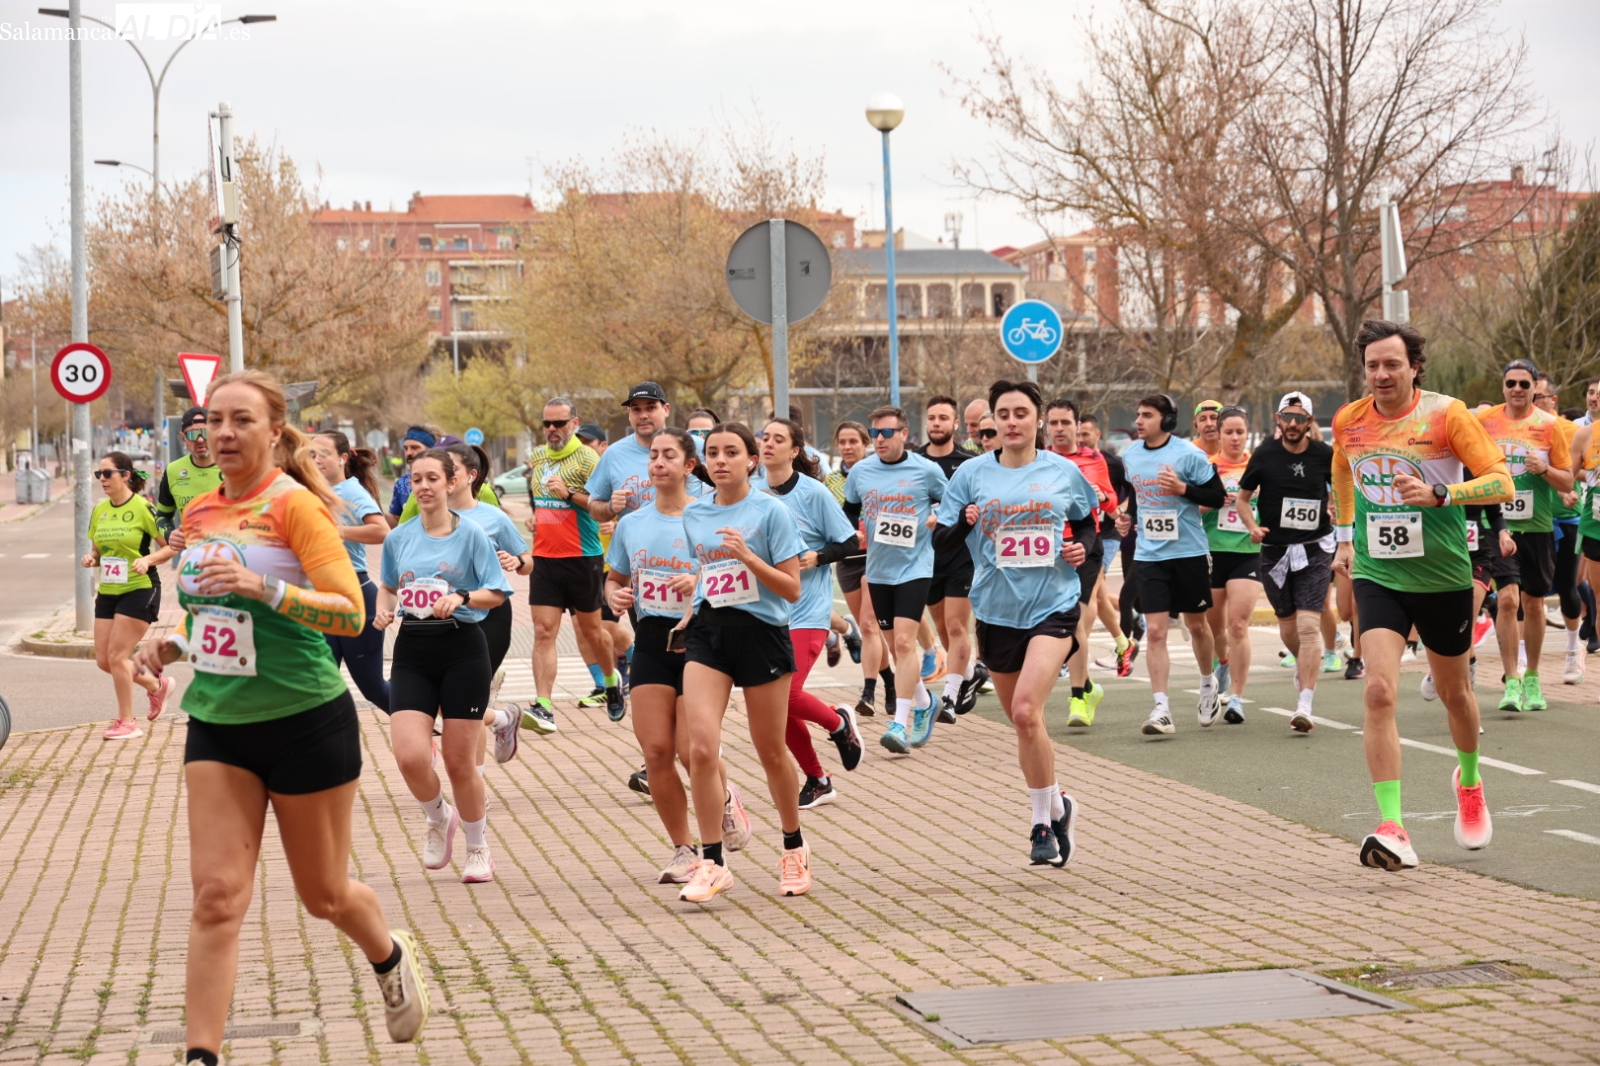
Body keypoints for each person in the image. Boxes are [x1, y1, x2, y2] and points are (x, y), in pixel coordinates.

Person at [131, 371, 430, 1062]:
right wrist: (170, 642)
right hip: (218, 721)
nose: (224, 432)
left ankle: (388, 955)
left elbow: (349, 612)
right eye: (214, 420)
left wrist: (265, 586)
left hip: (305, 719)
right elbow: (208, 614)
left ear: (273, 431)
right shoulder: (199, 512)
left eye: (241, 420)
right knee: (215, 896)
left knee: (323, 895)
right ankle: (201, 1054)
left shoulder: (297, 506)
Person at [1331, 320, 1511, 871]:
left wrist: (1442, 493)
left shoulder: (1447, 414)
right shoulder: (1349, 421)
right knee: (1378, 692)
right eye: (1373, 366)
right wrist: (1344, 536)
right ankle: (1393, 826)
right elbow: (1342, 470)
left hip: (1443, 577)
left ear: (1414, 367)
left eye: (1392, 364)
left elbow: (1501, 481)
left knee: (1456, 695)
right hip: (1378, 574)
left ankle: (1470, 782)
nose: (1382, 374)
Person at [937, 379, 1096, 866]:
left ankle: (1041, 825)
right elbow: (942, 544)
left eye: (1021, 413)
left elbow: (1089, 525)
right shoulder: (971, 475)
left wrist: (1081, 548)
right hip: (996, 610)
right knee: (1023, 722)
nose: (1011, 422)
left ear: (1038, 419)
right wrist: (964, 523)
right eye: (1002, 414)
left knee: (1027, 712)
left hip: (1053, 604)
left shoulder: (1062, 471)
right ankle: (1058, 802)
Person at [606, 428, 752, 881]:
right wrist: (615, 596)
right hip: (651, 639)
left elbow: (733, 572)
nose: (658, 463)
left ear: (690, 466)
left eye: (669, 455)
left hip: (700, 639)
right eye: (653, 455)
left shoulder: (706, 517)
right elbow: (615, 578)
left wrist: (699, 581)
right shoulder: (632, 523)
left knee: (693, 750)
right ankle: (684, 850)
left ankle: (724, 799)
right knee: (655, 751)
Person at [676, 423, 808, 902]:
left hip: (762, 635)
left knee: (770, 749)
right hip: (710, 633)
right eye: (713, 452)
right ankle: (713, 862)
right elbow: (709, 570)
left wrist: (749, 557)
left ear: (752, 460)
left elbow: (792, 589)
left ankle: (793, 847)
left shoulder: (771, 511)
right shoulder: (695, 514)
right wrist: (692, 599)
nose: (720, 460)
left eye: (731, 452)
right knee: (700, 749)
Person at [375, 448, 512, 884]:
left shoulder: (471, 535)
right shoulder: (399, 538)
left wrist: (462, 597)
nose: (424, 486)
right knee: (409, 756)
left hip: (462, 648)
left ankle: (478, 848)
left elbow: (497, 592)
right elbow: (388, 586)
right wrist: (383, 608)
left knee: (458, 761)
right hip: (413, 650)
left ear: (452, 482)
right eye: (416, 479)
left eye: (432, 478)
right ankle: (438, 816)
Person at [761, 418, 865, 809]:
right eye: (765, 437)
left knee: (788, 695)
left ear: (794, 451)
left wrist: (818, 556)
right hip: (768, 614)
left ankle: (838, 723)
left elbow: (850, 542)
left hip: (807, 611)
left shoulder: (814, 493)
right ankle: (818, 779)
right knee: (776, 708)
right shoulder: (753, 491)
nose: (769, 443)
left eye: (778, 439)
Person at [1114, 394, 1226, 734]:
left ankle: (1207, 685)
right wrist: (1127, 518)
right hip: (1149, 555)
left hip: (1189, 552)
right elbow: (1136, 494)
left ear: (1167, 420)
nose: (1138, 421)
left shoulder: (1188, 454)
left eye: (1146, 415)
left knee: (1197, 626)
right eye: (1138, 414)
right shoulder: (1130, 455)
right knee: (1156, 632)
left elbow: (1217, 496)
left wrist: (1182, 488)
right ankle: (1161, 708)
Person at [844, 406, 950, 753]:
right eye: (874, 433)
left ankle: (899, 725)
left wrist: (937, 516)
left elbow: (952, 501)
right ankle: (926, 703)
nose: (879, 439)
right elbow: (849, 511)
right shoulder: (861, 472)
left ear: (904, 434)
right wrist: (851, 534)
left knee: (904, 643)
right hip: (878, 570)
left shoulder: (925, 470)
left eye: (886, 433)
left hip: (915, 567)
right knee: (895, 647)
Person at [1475, 359, 1573, 712]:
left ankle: (1532, 676)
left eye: (1524, 384)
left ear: (1534, 389)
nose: (1517, 389)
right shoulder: (1485, 421)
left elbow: (1567, 481)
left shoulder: (1549, 425)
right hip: (1496, 524)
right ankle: (1511, 679)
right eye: (1511, 383)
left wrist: (1544, 469)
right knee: (1506, 601)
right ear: (1503, 387)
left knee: (1533, 604)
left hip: (1537, 526)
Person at [1236, 392, 1335, 732]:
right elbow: (1243, 500)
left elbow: (1343, 489)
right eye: (1287, 417)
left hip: (1315, 549)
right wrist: (1252, 527)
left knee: (1308, 627)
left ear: (1310, 422)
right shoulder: (1264, 454)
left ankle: (1305, 703)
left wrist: (1337, 510)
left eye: (1300, 418)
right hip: (1275, 551)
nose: (1293, 423)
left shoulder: (1324, 454)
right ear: (1278, 420)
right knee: (1290, 628)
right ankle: (1303, 667)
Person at [440, 442, 538, 769]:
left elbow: (528, 561)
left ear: (471, 475)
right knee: (446, 701)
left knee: (468, 701)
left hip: (489, 617)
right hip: (445, 617)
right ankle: (502, 719)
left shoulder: (493, 517)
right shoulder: (430, 516)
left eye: (451, 468)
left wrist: (517, 561)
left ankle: (475, 783)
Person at [524, 397, 621, 725]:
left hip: (582, 557)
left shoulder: (588, 459)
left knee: (593, 632)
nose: (552, 429)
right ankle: (543, 706)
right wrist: (537, 518)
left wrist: (568, 494)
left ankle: (611, 681)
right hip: (544, 558)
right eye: (547, 423)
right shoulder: (538, 456)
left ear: (574, 424)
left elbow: (602, 506)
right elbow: (541, 501)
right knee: (543, 631)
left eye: (559, 423)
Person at [84, 451, 176, 739]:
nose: (102, 479)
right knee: (104, 660)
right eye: (98, 474)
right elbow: (98, 551)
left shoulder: (143, 508)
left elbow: (170, 546)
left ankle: (127, 722)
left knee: (117, 655)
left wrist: (147, 560)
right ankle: (157, 686)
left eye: (107, 473)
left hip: (140, 588)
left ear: (125, 475)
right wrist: (91, 559)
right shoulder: (99, 510)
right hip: (109, 591)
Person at [309, 431, 391, 711]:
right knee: (318, 684)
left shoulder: (351, 491)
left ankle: (425, 717)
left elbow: (382, 531)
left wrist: (338, 531)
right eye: (311, 454)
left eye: (324, 454)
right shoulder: (311, 493)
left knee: (372, 687)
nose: (316, 460)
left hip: (354, 594)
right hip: (321, 597)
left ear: (343, 458)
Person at [916, 395, 986, 723]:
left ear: (955, 424)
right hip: (926, 558)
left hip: (961, 555)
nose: (936, 423)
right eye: (932, 417)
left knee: (957, 625)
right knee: (942, 626)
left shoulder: (969, 464)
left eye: (943, 418)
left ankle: (949, 697)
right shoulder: (914, 462)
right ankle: (969, 673)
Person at [1046, 399, 1114, 726]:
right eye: (1053, 423)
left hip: (1086, 546)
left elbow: (1111, 500)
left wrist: (1101, 496)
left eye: (1065, 423)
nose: (1059, 429)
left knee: (1076, 623)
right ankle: (1088, 686)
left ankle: (1077, 699)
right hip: (1048, 548)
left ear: (1077, 426)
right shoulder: (1040, 460)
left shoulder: (1094, 459)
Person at [1200, 405, 1260, 725]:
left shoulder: (1257, 466)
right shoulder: (1206, 467)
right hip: (1212, 552)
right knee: (1214, 628)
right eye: (1229, 432)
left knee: (1238, 625)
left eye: (1240, 432)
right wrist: (1211, 501)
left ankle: (1236, 698)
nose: (1235, 438)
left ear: (1247, 433)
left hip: (1248, 553)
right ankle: (1222, 661)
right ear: (1219, 434)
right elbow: (1190, 508)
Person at [827, 421, 889, 720]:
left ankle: (868, 692)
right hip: (847, 562)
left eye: (853, 441)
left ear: (866, 444)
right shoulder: (830, 482)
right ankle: (891, 682)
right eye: (842, 442)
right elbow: (826, 520)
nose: (847, 447)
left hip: (876, 558)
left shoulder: (879, 474)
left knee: (869, 626)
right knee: (868, 630)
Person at [1533, 376, 1584, 683]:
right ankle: (1525, 662)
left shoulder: (1570, 431)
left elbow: (1583, 470)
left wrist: (1569, 489)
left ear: (1553, 400)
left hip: (1566, 518)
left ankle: (1573, 649)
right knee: (1529, 592)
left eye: (1538, 396)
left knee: (1567, 586)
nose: (1532, 401)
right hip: (1531, 520)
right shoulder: (1521, 430)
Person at [1081, 413, 1139, 677]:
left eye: (1086, 434)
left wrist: (1121, 512)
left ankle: (1075, 651)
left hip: (1108, 534)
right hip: (1085, 534)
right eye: (1078, 435)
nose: (1081, 439)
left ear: (1097, 435)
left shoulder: (1111, 463)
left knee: (1091, 593)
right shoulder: (1072, 462)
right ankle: (1124, 642)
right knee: (1100, 595)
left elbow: (1132, 489)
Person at [154, 407, 222, 542]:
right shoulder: (173, 471)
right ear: (184, 438)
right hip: (192, 552)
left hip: (230, 552)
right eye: (192, 434)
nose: (200, 439)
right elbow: (162, 516)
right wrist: (169, 534)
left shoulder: (233, 467)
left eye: (205, 433)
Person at [386, 425, 440, 528]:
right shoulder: (402, 483)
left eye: (415, 447)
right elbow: (395, 519)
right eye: (406, 448)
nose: (409, 453)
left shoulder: (443, 480)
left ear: (431, 449)